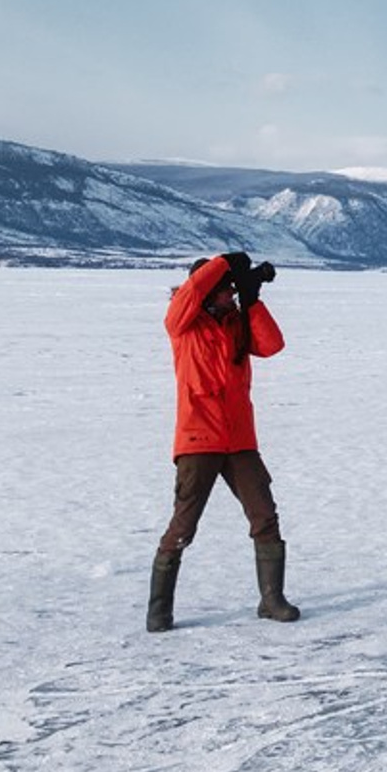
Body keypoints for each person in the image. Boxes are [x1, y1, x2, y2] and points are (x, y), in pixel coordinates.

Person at [147, 249, 299, 631]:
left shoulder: (236, 322)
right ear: (208, 290)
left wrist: (253, 302)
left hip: (239, 439)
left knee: (264, 515)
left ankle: (272, 599)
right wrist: (225, 261)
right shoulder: (183, 324)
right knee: (184, 526)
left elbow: (272, 345)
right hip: (198, 438)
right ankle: (159, 610)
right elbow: (192, 291)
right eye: (226, 289)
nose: (231, 294)